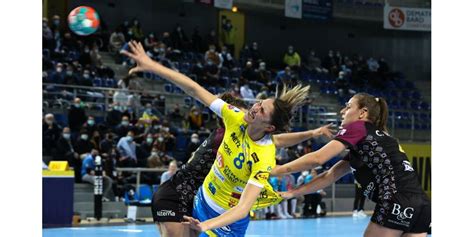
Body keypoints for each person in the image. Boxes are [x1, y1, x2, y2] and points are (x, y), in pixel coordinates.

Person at [121, 41, 334, 236]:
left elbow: (243, 208)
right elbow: (194, 89)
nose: (255, 107)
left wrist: (205, 225)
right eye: (259, 103)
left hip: (228, 220)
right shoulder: (235, 117)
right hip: (200, 200)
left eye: (262, 110)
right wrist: (153, 66)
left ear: (269, 127)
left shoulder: (263, 156)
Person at [151, 93, 333, 237]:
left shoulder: (239, 134)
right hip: (179, 194)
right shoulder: (231, 134)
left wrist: (312, 133)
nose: (249, 111)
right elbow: (276, 143)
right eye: (240, 110)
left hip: (195, 197)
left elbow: (275, 140)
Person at [272, 93, 431, 236]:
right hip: (422, 205)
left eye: (348, 107)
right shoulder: (370, 144)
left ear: (362, 113)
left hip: (397, 200)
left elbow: (318, 158)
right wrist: (292, 193)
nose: (342, 111)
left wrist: (277, 170)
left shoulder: (358, 127)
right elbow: (329, 176)